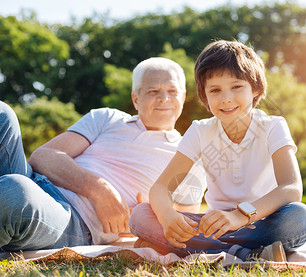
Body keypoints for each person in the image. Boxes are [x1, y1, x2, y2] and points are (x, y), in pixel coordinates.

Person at [129, 40, 306, 262]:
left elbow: (291, 188)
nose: (226, 98)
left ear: (255, 88)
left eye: (236, 87)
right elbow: (160, 188)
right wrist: (168, 217)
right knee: (141, 215)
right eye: (215, 90)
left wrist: (239, 216)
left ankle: (195, 248)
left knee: (299, 217)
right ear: (204, 95)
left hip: (261, 222)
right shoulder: (200, 130)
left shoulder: (273, 126)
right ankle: (246, 254)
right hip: (213, 227)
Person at [0, 57, 206, 252]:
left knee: (15, 190)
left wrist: (150, 214)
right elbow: (43, 156)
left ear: (183, 97)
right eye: (153, 91)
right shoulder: (106, 118)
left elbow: (184, 228)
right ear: (136, 98)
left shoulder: (188, 156)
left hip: (74, 221)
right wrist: (99, 189)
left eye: (172, 91)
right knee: (3, 113)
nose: (164, 98)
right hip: (37, 181)